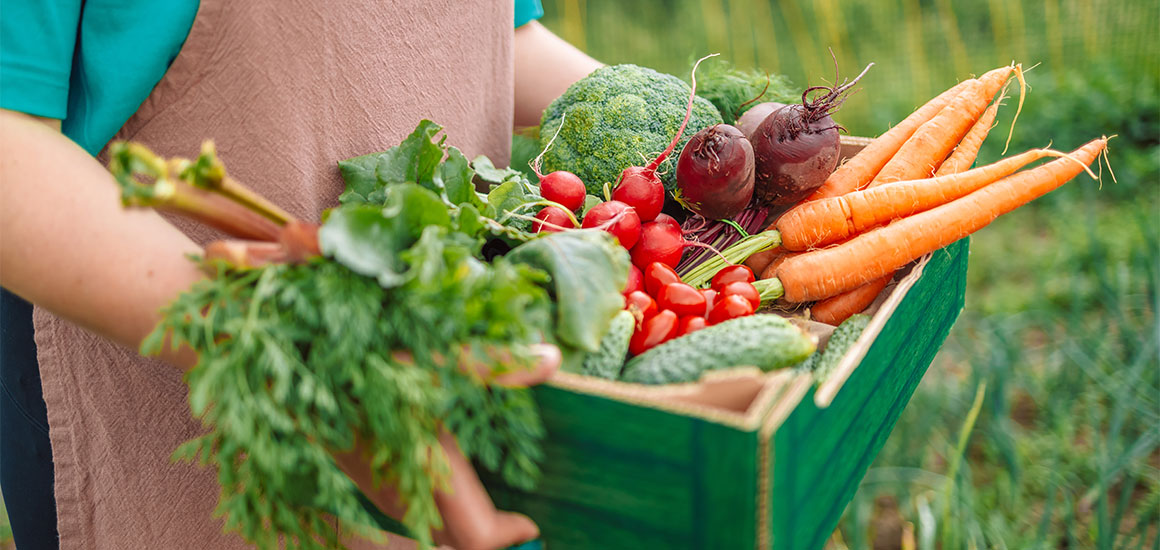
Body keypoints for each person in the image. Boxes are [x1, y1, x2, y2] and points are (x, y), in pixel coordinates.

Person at [0, 1, 602, 549]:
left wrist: (677, 127)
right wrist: (295, 353)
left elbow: (494, 35)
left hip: (437, 381)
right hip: (175, 397)